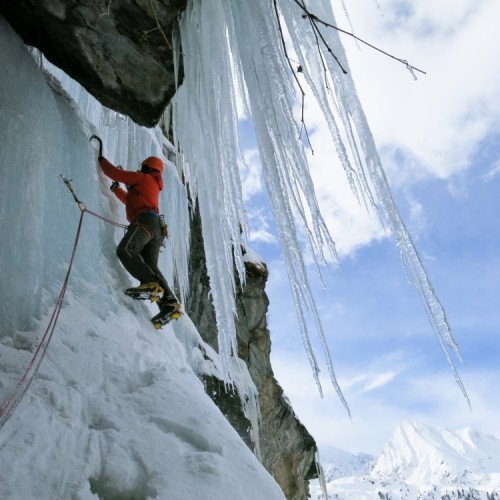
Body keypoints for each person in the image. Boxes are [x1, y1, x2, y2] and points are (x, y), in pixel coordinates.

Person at [98, 153, 181, 325]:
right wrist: (115, 190)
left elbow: (116, 174)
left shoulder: (143, 178)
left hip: (146, 221)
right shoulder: (149, 185)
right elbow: (128, 199)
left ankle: (150, 283)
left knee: (126, 250)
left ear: (146, 168)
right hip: (157, 228)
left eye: (141, 167)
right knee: (150, 265)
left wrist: (101, 160)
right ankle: (169, 303)